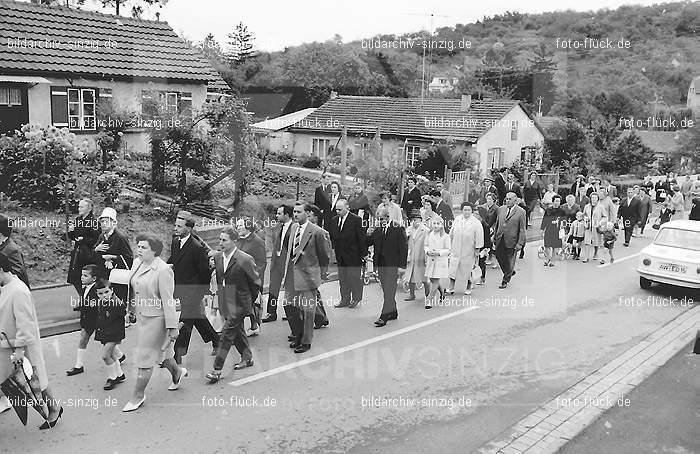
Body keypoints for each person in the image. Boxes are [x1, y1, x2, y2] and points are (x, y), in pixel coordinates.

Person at [122, 233, 185, 413]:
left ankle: (138, 395)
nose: (139, 250)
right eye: (138, 246)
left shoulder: (163, 270)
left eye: (143, 248)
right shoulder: (137, 263)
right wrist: (130, 310)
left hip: (157, 320)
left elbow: (168, 300)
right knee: (164, 356)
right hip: (142, 318)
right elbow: (133, 290)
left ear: (155, 251)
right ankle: (177, 373)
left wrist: (172, 327)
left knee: (145, 358)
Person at [0, 254, 63, 429]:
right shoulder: (7, 287)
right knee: (29, 380)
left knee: (34, 379)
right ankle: (54, 408)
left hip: (18, 347)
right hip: (9, 346)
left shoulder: (18, 291)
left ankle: (54, 408)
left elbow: (24, 323)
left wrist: (19, 350)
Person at [205, 227, 260, 383]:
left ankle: (216, 370)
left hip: (240, 304)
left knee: (226, 334)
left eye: (224, 240)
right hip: (225, 301)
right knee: (237, 332)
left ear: (234, 241)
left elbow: (255, 283)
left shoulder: (245, 259)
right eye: (220, 239)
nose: (220, 243)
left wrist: (247, 301)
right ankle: (247, 357)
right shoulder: (218, 258)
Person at [169, 213, 219, 364]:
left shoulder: (197, 247)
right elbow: (173, 260)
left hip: (193, 291)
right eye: (175, 225)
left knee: (185, 321)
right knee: (197, 318)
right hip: (181, 288)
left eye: (179, 226)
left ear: (189, 228)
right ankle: (217, 339)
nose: (175, 228)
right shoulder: (175, 241)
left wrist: (203, 292)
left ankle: (177, 354)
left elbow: (204, 271)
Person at [283, 203, 330, 353]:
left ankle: (306, 341)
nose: (295, 214)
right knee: (289, 305)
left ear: (308, 213)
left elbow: (324, 257)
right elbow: (290, 253)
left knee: (308, 312)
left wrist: (321, 275)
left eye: (299, 212)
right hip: (292, 275)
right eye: (294, 212)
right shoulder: (293, 228)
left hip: (308, 278)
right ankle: (298, 334)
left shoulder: (318, 232)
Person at [66, 264, 124, 376]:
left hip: (97, 320)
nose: (82, 277)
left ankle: (118, 363)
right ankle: (79, 365)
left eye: (85, 275)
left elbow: (107, 302)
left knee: (106, 344)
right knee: (85, 339)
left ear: (93, 278)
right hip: (88, 320)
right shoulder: (85, 288)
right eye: (82, 275)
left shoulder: (99, 289)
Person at [366, 206, 407, 327]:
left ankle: (384, 316)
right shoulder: (377, 230)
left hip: (393, 265)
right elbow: (368, 242)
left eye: (382, 219)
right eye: (378, 219)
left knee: (389, 290)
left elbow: (403, 249)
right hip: (381, 265)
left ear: (388, 217)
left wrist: (402, 266)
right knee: (386, 290)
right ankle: (393, 311)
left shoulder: (398, 228)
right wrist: (367, 233)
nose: (380, 221)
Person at [329, 198, 366, 309]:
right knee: (343, 278)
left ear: (347, 208)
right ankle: (345, 299)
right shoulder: (334, 220)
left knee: (353, 277)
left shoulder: (356, 220)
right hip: (340, 255)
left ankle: (356, 298)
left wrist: (364, 253)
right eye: (336, 209)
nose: (338, 212)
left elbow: (361, 238)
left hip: (353, 255)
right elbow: (333, 237)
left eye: (340, 209)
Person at [235, 217, 266, 337]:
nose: (237, 228)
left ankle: (253, 326)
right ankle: (242, 329)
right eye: (237, 225)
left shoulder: (257, 241)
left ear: (248, 227)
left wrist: (253, 276)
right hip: (238, 278)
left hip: (251, 279)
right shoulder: (237, 240)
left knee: (252, 304)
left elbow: (262, 262)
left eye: (240, 225)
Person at [262, 205, 293, 323]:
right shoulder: (277, 227)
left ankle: (290, 311)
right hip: (277, 261)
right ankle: (271, 312)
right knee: (273, 287)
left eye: (280, 213)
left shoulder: (294, 228)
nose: (277, 215)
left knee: (290, 288)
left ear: (286, 215)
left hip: (288, 263)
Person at [94, 207, 133, 303]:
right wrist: (96, 249)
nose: (103, 224)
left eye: (107, 221)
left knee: (118, 302)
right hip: (104, 275)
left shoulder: (121, 238)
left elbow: (129, 258)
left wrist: (113, 257)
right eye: (102, 222)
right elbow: (94, 257)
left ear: (113, 223)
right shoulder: (101, 237)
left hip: (117, 278)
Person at [94, 278, 127, 390]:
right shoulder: (101, 302)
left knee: (105, 356)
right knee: (112, 354)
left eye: (106, 292)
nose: (104, 295)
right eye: (100, 293)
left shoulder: (117, 303)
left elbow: (125, 315)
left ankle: (112, 378)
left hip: (113, 334)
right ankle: (119, 374)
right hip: (104, 332)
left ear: (112, 290)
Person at [447, 202, 483, 295]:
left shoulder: (476, 223)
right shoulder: (457, 219)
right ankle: (451, 287)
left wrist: (477, 250)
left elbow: (479, 237)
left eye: (468, 210)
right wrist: (449, 246)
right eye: (465, 210)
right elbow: (451, 233)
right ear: (462, 210)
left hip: (469, 250)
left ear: (471, 211)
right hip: (456, 248)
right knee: (453, 268)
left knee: (468, 269)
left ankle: (468, 286)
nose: (466, 212)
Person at [67, 198, 100, 295]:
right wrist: (71, 231)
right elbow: (72, 237)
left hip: (88, 254)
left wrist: (84, 240)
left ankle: (90, 299)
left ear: (89, 209)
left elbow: (96, 238)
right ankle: (83, 298)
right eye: (79, 206)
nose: (79, 208)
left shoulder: (94, 222)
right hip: (78, 253)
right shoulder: (78, 219)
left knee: (88, 278)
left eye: (82, 206)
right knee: (75, 278)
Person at [493, 192, 526, 289]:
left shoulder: (521, 212)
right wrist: (495, 236)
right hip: (500, 237)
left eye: (510, 199)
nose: (507, 201)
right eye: (506, 199)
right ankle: (510, 271)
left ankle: (505, 280)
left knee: (509, 259)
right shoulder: (501, 209)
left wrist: (520, 243)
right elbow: (497, 223)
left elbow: (522, 229)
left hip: (512, 239)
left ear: (515, 201)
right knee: (499, 256)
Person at [306, 204, 330, 329]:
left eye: (309, 215)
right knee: (314, 293)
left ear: (315, 218)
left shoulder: (320, 233)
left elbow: (325, 254)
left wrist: (323, 271)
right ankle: (322, 318)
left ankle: (320, 318)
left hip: (314, 267)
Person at [424, 217, 450, 308]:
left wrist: (438, 253)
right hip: (431, 260)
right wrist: (427, 251)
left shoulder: (446, 236)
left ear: (442, 225)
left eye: (438, 224)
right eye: (434, 223)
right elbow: (426, 245)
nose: (436, 226)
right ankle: (442, 292)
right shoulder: (429, 234)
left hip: (440, 261)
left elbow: (448, 249)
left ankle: (429, 299)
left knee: (435, 280)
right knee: (432, 279)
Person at [404, 210, 430, 301]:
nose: (414, 222)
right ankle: (412, 294)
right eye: (412, 220)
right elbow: (405, 242)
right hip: (411, 255)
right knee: (411, 276)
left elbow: (428, 244)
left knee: (423, 276)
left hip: (421, 255)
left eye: (416, 219)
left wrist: (427, 257)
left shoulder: (425, 230)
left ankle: (428, 295)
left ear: (420, 220)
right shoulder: (409, 229)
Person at [0, 214, 30, 288]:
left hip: (14, 294)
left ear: (1, 234)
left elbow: (17, 274)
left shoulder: (12, 250)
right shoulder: (3, 246)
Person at [540, 195, 566, 267]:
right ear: (553, 201)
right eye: (556, 201)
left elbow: (564, 221)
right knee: (546, 245)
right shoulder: (548, 210)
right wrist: (542, 229)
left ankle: (553, 260)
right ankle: (547, 258)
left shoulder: (562, 211)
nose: (558, 202)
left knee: (555, 246)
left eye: (559, 201)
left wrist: (562, 226)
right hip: (548, 229)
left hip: (557, 230)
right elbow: (544, 220)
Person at [582, 193, 607, 263]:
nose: (593, 199)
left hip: (596, 227)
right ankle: (586, 257)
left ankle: (595, 253)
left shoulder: (601, 207)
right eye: (592, 198)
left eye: (595, 198)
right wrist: (585, 218)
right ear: (590, 198)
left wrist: (600, 223)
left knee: (596, 242)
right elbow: (583, 215)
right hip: (588, 226)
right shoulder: (587, 206)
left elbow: (605, 217)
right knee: (587, 241)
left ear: (597, 199)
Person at [473, 207, 492, 285]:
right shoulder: (473, 224)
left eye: (477, 214)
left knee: (481, 263)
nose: (475, 215)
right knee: (474, 263)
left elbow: (487, 239)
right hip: (475, 246)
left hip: (483, 247)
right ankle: (473, 279)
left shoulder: (485, 225)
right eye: (474, 213)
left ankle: (482, 278)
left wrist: (486, 249)